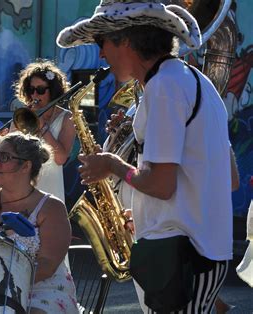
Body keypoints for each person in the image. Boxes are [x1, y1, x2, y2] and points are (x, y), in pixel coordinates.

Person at [58, 0, 232, 312]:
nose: (100, 54)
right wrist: (145, 213)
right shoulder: (188, 80)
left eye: (102, 42)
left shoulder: (163, 86)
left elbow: (162, 185)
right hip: (189, 250)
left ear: (125, 39)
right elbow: (227, 178)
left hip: (181, 254)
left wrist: (111, 165)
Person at [0, 132, 78, 313]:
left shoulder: (51, 208)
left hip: (39, 290)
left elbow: (47, 265)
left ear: (26, 166)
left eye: (4, 157)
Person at [12, 60, 76, 203]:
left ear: (52, 91)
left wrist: (42, 126)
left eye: (40, 90)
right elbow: (12, 151)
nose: (35, 95)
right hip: (23, 186)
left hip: (50, 187)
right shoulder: (24, 114)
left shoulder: (67, 118)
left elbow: (61, 159)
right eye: (31, 90)